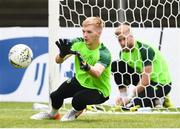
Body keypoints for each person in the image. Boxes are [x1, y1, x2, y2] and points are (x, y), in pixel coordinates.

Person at [31, 17, 111, 121]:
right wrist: (61, 54)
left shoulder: (104, 53)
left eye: (89, 32)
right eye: (83, 31)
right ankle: (53, 114)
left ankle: (76, 111)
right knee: (55, 96)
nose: (85, 35)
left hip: (98, 90)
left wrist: (87, 67)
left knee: (77, 100)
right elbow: (58, 61)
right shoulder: (77, 43)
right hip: (79, 81)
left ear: (99, 33)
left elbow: (97, 73)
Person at [111, 24, 173, 108]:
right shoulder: (123, 53)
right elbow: (125, 75)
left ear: (131, 36)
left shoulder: (145, 50)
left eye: (124, 39)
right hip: (144, 81)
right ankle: (125, 97)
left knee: (135, 104)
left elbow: (145, 81)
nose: (122, 43)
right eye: (119, 40)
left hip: (161, 84)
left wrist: (130, 98)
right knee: (116, 65)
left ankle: (161, 97)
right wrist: (123, 98)